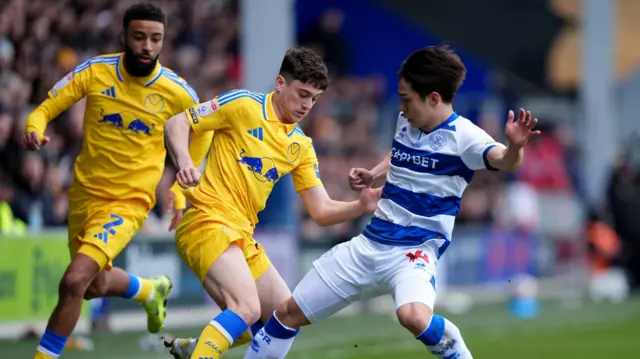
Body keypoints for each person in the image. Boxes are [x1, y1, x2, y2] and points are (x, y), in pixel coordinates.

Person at [244, 45, 541, 359]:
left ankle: (456, 350)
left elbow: (505, 161)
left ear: (434, 99)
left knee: (412, 316)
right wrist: (374, 173)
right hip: (370, 244)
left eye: (406, 98)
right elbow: (398, 152)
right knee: (287, 313)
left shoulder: (465, 136)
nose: (401, 106)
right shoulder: (407, 121)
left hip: (414, 251)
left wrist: (514, 146)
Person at [162, 47, 381, 359]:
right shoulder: (243, 104)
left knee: (284, 315)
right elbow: (177, 124)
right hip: (206, 219)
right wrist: (185, 162)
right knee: (247, 308)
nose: (307, 105)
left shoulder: (301, 146)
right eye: (302, 94)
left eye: (314, 98)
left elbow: (320, 211)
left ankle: (195, 350)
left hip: (241, 234)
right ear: (281, 83)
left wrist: (359, 205)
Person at [23, 4, 212, 359]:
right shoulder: (96, 71)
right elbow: (45, 107)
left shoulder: (178, 92)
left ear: (163, 41)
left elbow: (201, 133)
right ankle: (148, 290)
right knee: (91, 286)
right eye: (139, 37)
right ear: (124, 35)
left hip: (128, 201)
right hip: (83, 194)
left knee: (73, 281)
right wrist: (34, 128)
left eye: (155, 39)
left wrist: (181, 182)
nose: (147, 46)